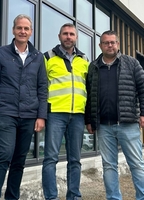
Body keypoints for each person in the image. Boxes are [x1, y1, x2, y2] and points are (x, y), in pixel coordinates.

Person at [0, 14, 48, 200]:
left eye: (26, 28)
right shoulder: (0, 53)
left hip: (29, 115)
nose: (22, 31)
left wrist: (41, 115)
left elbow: (42, 87)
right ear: (13, 30)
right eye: (19, 28)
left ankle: (12, 197)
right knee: (4, 155)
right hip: (6, 113)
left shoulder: (37, 57)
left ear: (31, 32)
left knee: (19, 160)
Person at [85, 30, 144, 200]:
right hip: (103, 126)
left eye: (112, 42)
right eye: (106, 43)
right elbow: (89, 95)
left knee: (136, 164)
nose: (110, 45)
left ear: (118, 44)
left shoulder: (131, 63)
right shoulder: (93, 67)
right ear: (100, 45)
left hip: (128, 123)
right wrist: (90, 121)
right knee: (108, 166)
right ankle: (113, 198)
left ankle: (143, 198)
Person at [42, 23, 89, 200]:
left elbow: (89, 88)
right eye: (65, 34)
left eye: (72, 34)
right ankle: (51, 197)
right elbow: (41, 88)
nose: (68, 37)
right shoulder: (47, 57)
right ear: (59, 36)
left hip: (78, 115)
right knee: (50, 159)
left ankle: (74, 196)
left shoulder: (84, 59)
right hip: (55, 114)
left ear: (76, 37)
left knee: (75, 160)